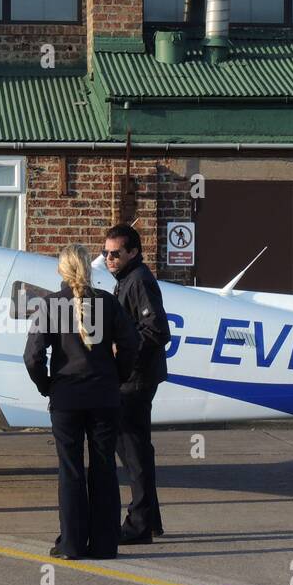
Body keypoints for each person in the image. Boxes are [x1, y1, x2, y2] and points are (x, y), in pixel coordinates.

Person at [25, 244, 139, 560]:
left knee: (71, 470)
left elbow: (32, 356)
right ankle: (104, 545)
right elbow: (131, 344)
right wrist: (117, 376)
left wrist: (47, 386)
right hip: (104, 396)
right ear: (89, 268)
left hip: (66, 398)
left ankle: (72, 544)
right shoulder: (108, 303)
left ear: (62, 271)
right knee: (103, 468)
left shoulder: (49, 305)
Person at [104, 224, 172, 544]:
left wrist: (125, 354)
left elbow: (157, 331)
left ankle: (139, 524)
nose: (109, 259)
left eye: (116, 253)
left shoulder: (139, 280)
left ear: (133, 252)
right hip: (133, 378)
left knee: (133, 452)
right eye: (106, 253)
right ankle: (151, 518)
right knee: (136, 450)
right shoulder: (126, 280)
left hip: (136, 381)